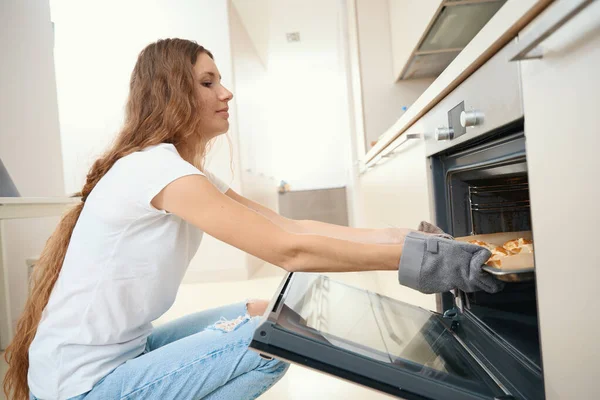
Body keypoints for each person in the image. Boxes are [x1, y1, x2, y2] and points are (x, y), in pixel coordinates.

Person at [3, 38, 500, 400]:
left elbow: (296, 228)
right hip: (84, 387)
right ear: (173, 94)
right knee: (277, 337)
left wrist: (407, 237)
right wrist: (420, 260)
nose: (227, 93)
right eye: (207, 82)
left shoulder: (171, 169)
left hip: (120, 356)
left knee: (266, 310)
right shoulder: (154, 169)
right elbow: (288, 251)